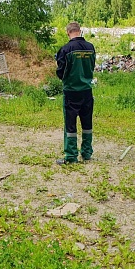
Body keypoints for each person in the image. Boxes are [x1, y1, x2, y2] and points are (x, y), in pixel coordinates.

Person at [55, 22, 96, 164]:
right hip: (87, 91)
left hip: (71, 92)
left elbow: (61, 72)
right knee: (87, 123)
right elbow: (92, 66)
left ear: (68, 33)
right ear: (80, 31)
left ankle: (71, 156)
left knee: (70, 125)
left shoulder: (66, 49)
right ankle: (87, 153)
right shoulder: (91, 48)